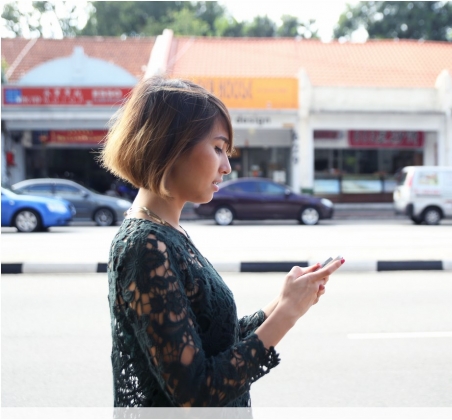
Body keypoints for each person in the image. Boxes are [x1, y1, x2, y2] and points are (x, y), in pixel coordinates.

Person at [99, 76, 344, 408]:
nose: (227, 167)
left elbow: (213, 342)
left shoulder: (167, 233)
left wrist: (283, 302)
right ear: (170, 146)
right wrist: (287, 314)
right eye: (217, 148)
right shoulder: (144, 246)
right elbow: (196, 394)